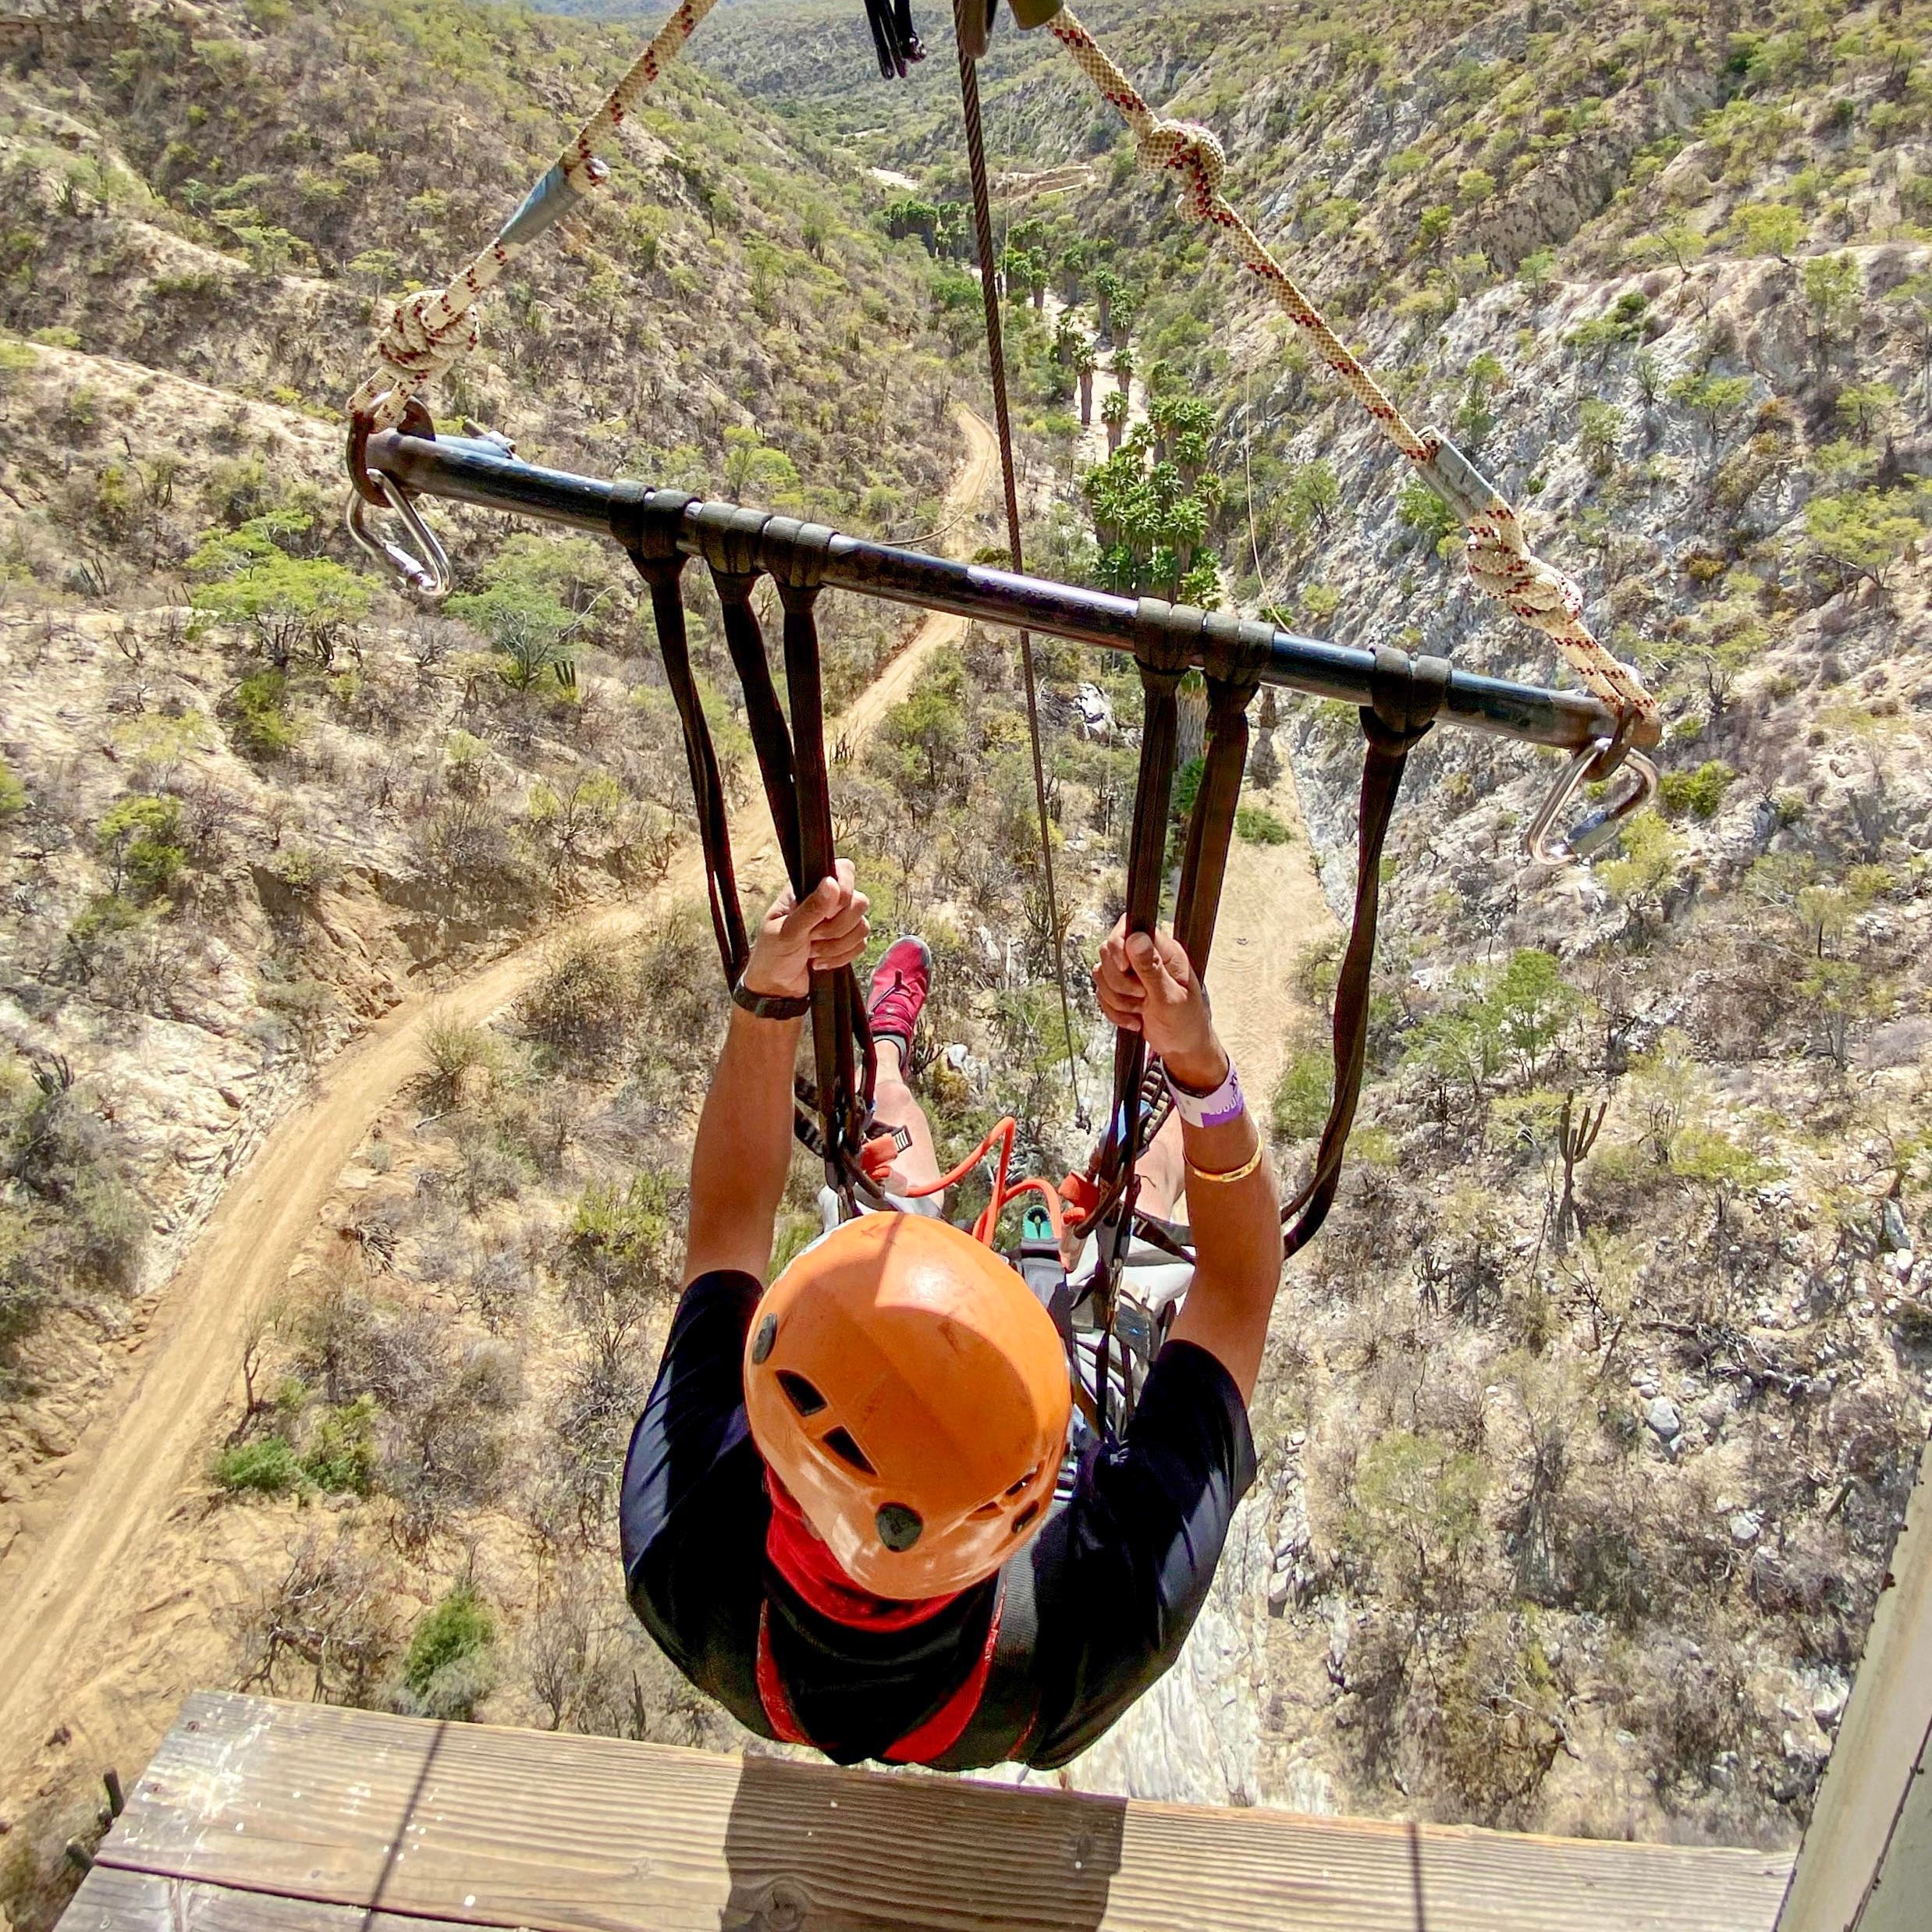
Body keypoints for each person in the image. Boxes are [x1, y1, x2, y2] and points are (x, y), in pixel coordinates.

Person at [620, 861, 1284, 1768]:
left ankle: (887, 1051)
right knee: (1161, 1189)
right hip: (1064, 1405)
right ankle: (1149, 1133)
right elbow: (1239, 1287)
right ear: (1031, 1508)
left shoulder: (688, 1549)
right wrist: (1201, 1070)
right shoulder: (1100, 1619)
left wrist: (770, 991)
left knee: (891, 1141)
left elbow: (729, 1222)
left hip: (984, 1440)